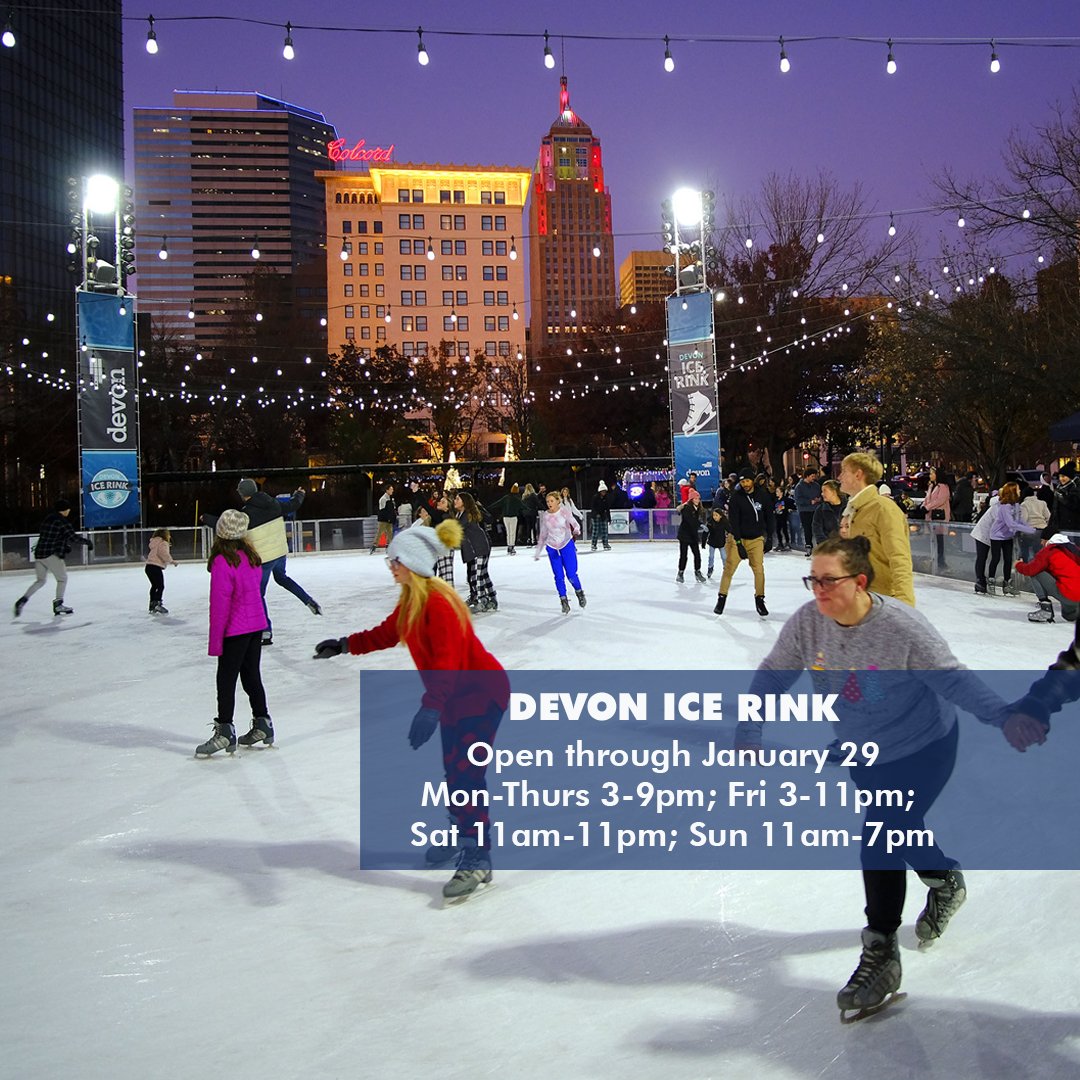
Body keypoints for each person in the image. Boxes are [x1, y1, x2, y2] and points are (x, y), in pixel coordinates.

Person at [737, 535, 1027, 1016]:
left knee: (881, 833)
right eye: (813, 580)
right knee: (898, 830)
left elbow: (954, 677)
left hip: (924, 747)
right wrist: (750, 727)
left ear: (861, 581)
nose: (819, 591)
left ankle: (881, 952)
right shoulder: (811, 623)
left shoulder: (900, 628)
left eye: (829, 581)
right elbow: (774, 672)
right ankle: (944, 878)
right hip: (864, 750)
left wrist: (1005, 716)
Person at [312, 519, 510, 902]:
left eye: (395, 560)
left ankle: (477, 855)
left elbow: (448, 662)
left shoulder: (438, 604)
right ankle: (462, 839)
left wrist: (430, 709)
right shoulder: (413, 601)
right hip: (455, 698)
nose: (391, 566)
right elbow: (386, 633)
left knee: (466, 775)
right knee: (455, 772)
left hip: (481, 696)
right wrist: (344, 645)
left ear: (414, 563)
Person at [195, 509, 273, 757]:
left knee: (226, 679)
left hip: (235, 630)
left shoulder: (222, 561)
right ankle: (263, 723)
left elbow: (220, 606)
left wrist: (215, 642)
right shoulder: (250, 556)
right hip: (255, 626)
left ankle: (225, 731)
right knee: (251, 676)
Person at [233, 478, 321, 644]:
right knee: (282, 578)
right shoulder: (273, 503)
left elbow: (228, 528)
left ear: (242, 495)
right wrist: (300, 494)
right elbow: (293, 504)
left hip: (264, 558)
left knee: (258, 594)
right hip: (280, 553)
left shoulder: (246, 514)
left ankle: (265, 631)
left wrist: (207, 518)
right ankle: (308, 600)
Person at [839, 452, 915, 607]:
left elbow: (899, 559)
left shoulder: (883, 509)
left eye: (844, 471)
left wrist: (905, 606)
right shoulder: (853, 511)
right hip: (860, 597)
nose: (839, 477)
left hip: (882, 600)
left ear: (858, 474)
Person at [13, 498, 93, 617]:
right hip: (51, 555)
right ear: (64, 510)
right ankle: (58, 604)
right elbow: (72, 537)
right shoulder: (62, 522)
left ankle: (23, 600)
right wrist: (87, 542)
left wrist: (63, 546)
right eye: (68, 509)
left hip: (39, 554)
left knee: (40, 581)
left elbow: (52, 536)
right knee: (62, 579)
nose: (69, 511)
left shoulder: (48, 519)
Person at [714, 467, 769, 617]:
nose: (745, 484)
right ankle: (721, 597)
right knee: (729, 569)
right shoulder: (736, 498)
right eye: (742, 481)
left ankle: (760, 599)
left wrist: (769, 537)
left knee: (759, 569)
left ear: (752, 480)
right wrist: (738, 543)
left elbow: (769, 516)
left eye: (747, 480)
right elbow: (734, 523)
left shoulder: (762, 496)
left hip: (756, 539)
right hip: (738, 538)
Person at [535, 490, 586, 615]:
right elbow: (543, 534)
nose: (549, 503)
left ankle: (579, 592)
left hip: (566, 545)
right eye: (547, 501)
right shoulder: (545, 515)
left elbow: (575, 524)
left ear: (558, 501)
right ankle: (563, 601)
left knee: (571, 574)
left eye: (552, 501)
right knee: (558, 576)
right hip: (552, 548)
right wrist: (538, 551)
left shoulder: (564, 512)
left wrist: (577, 530)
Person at [1016, 532, 1080, 623]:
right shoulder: (1073, 549)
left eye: (1042, 540)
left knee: (1036, 572)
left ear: (1048, 539)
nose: (1041, 543)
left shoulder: (1049, 551)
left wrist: (1018, 564)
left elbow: (1030, 569)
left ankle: (1046, 609)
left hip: (1069, 594)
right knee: (1068, 616)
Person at [986, 481, 1036, 596]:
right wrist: (1030, 530)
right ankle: (991, 582)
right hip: (997, 536)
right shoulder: (1004, 507)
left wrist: (1031, 528)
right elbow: (1011, 524)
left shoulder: (1016, 505)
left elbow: (1019, 520)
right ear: (1012, 491)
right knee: (996, 558)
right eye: (1017, 489)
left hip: (1008, 536)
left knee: (1008, 560)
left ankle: (1007, 585)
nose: (1019, 491)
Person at [455, 491, 497, 613]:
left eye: (458, 499)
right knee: (483, 573)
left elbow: (457, 527)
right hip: (475, 547)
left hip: (479, 546)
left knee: (478, 575)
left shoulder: (466, 514)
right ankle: (492, 598)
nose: (455, 501)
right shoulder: (460, 514)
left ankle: (481, 600)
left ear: (464, 502)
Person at [922, 466, 952, 570]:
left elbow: (940, 500)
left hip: (939, 518)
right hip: (931, 517)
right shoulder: (932, 486)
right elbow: (928, 499)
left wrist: (926, 507)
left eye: (932, 473)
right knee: (933, 539)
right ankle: (934, 559)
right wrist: (922, 506)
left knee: (939, 541)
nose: (930, 475)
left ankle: (940, 562)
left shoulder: (943, 487)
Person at [675, 487, 706, 584]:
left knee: (697, 554)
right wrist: (700, 525)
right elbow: (690, 521)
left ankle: (697, 571)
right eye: (696, 499)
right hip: (684, 535)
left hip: (693, 535)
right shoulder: (687, 508)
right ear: (691, 500)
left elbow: (695, 522)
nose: (698, 500)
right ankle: (680, 573)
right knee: (684, 555)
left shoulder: (697, 509)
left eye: (698, 498)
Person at [145, 527, 178, 614]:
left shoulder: (154, 542)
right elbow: (163, 553)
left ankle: (152, 604)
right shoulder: (163, 543)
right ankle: (157, 604)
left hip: (148, 567)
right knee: (160, 586)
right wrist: (172, 561)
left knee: (154, 586)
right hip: (155, 567)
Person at [1044, 461, 1080, 539]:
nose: (1061, 479)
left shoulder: (1076, 488)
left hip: (1073, 527)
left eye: (1063, 476)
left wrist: (1062, 498)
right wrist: (1050, 526)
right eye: (1059, 476)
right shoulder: (1059, 489)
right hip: (1060, 526)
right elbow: (1054, 510)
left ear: (1070, 477)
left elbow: (1074, 505)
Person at [793, 467, 823, 557]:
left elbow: (821, 494)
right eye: (812, 476)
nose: (814, 478)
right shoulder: (799, 487)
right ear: (807, 476)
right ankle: (809, 546)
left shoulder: (816, 485)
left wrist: (819, 499)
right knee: (807, 528)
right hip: (805, 511)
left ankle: (820, 546)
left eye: (815, 476)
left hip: (816, 509)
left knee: (818, 528)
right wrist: (810, 501)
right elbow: (798, 500)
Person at [487, 483, 524, 555]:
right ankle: (511, 546)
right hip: (513, 517)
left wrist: (488, 508)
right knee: (512, 532)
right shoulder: (517, 499)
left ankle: (509, 546)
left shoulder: (506, 497)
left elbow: (497, 503)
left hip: (505, 517)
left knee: (508, 532)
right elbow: (523, 506)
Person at [1019, 484, 1052, 564]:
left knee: (1024, 549)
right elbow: (1048, 517)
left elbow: (1024, 519)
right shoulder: (1042, 503)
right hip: (1042, 531)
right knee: (1039, 552)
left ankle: (1026, 566)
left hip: (1030, 531)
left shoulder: (1024, 504)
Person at [812, 479, 846, 545]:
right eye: (822, 491)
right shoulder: (821, 509)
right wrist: (826, 545)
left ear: (833, 492)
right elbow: (817, 530)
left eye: (825, 491)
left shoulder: (849, 507)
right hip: (828, 548)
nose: (822, 494)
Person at [371, 483, 397, 553]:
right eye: (391, 489)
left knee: (390, 533)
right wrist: (387, 517)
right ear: (387, 490)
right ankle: (374, 546)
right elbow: (382, 510)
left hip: (389, 519)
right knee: (380, 532)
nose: (392, 491)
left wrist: (392, 518)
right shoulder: (383, 499)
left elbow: (391, 510)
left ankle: (389, 546)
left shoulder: (390, 499)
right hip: (383, 519)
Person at [704, 505, 728, 579]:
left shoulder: (724, 522)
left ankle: (726, 569)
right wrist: (703, 542)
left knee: (724, 557)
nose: (714, 517)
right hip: (712, 542)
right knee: (711, 556)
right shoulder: (710, 522)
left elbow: (730, 530)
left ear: (720, 516)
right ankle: (710, 568)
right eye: (713, 515)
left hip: (721, 543)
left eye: (716, 515)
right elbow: (706, 533)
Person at [590, 481, 613, 551]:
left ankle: (605, 543)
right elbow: (593, 507)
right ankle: (593, 544)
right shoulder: (595, 497)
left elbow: (607, 508)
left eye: (605, 491)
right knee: (595, 531)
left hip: (603, 516)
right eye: (602, 491)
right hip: (596, 517)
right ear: (600, 491)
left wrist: (609, 518)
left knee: (604, 531)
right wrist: (596, 514)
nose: (604, 492)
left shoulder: (606, 498)